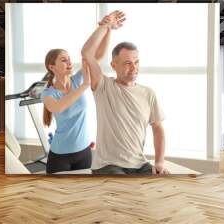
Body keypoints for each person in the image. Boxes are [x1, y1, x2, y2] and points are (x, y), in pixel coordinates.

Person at [81, 10, 170, 175]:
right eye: (128, 63)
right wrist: (105, 25)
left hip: (139, 164)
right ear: (114, 65)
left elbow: (158, 128)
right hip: (107, 166)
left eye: (136, 62)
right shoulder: (103, 86)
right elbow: (87, 53)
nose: (134, 67)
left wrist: (159, 161)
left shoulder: (148, 93)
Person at [40, 14, 114, 174]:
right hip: (60, 157)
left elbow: (98, 56)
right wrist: (85, 85)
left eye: (69, 59)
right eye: (63, 60)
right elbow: (58, 107)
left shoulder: (77, 80)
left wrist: (108, 28)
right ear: (52, 67)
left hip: (84, 152)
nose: (69, 62)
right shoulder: (48, 93)